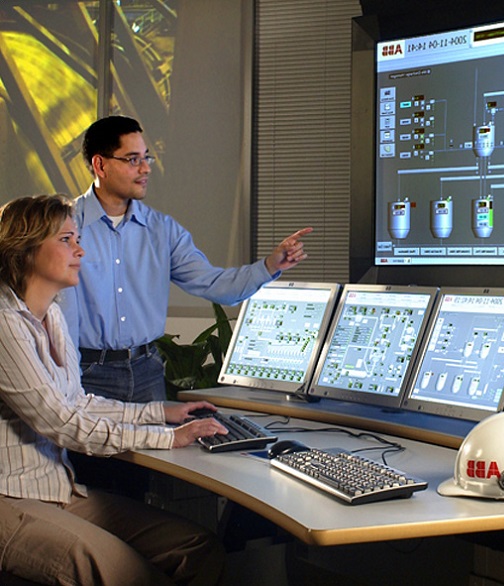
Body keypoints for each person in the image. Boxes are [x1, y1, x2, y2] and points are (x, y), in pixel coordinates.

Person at [0, 194, 230, 585]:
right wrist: (168, 438)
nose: (80, 250)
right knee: (127, 573)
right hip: (11, 501)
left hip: (58, 490)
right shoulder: (6, 324)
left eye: (78, 239)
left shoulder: (52, 315)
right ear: (26, 249)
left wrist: (160, 413)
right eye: (66, 240)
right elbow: (62, 423)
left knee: (197, 546)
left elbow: (76, 402)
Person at [59, 115, 313, 403]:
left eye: (146, 158)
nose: (145, 168)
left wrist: (269, 266)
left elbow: (213, 284)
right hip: (85, 373)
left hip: (147, 373)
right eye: (133, 160)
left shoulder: (162, 230)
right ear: (100, 165)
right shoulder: (63, 227)